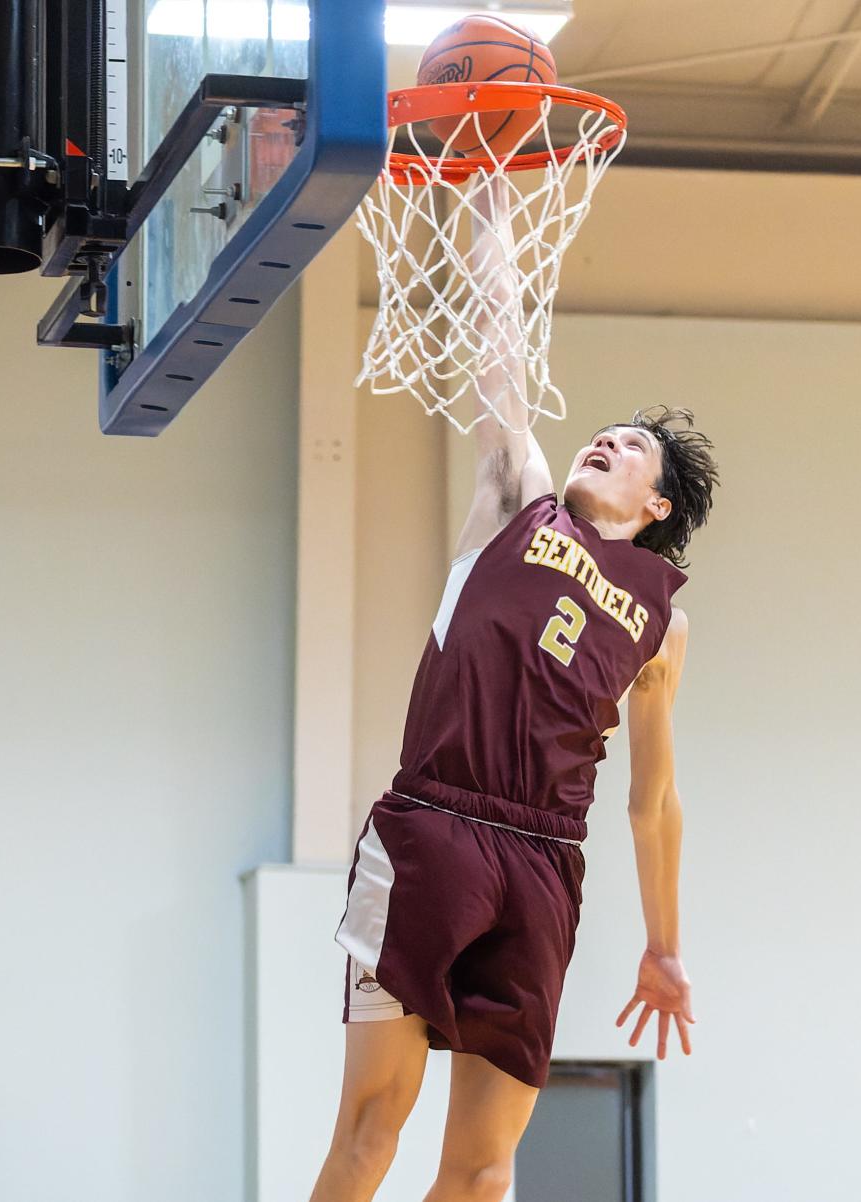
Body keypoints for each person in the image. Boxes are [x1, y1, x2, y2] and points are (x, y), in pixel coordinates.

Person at [309, 178, 720, 1202]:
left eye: (632, 447)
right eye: (607, 431)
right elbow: (499, 334)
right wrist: (488, 198)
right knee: (371, 1126)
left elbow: (653, 797)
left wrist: (665, 946)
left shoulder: (662, 616)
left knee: (485, 1165)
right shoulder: (518, 492)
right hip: (435, 825)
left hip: (544, 861)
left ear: (656, 502)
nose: (607, 441)